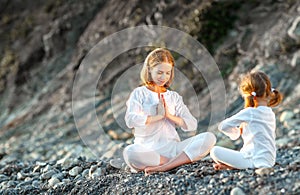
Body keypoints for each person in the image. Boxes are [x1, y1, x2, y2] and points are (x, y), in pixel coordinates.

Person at [122, 48, 216, 175]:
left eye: (167, 73)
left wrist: (169, 116)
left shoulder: (174, 97)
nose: (163, 77)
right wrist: (158, 117)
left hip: (174, 149)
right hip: (148, 150)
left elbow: (192, 125)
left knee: (209, 138)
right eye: (159, 72)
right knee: (129, 152)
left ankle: (166, 166)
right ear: (149, 69)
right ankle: (171, 162)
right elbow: (130, 120)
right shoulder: (139, 93)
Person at [210, 71, 283, 170]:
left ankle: (232, 166)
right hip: (269, 160)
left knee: (214, 151)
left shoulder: (250, 112)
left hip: (253, 160)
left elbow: (223, 126)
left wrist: (236, 133)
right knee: (241, 153)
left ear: (250, 96)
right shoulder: (270, 113)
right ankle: (231, 166)